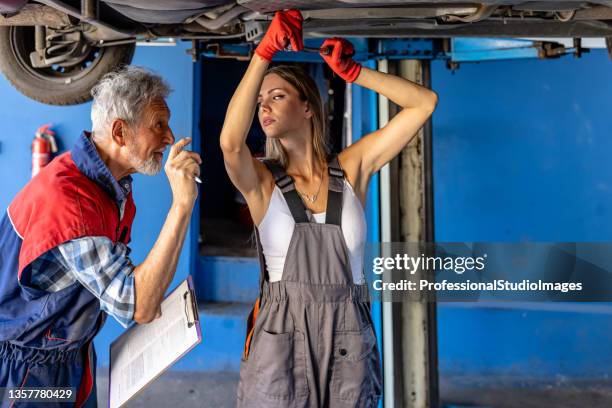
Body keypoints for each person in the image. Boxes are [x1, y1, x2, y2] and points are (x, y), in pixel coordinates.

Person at [220, 9, 438, 408]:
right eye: (260, 100)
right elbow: (230, 144)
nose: (264, 106)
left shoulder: (352, 168)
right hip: (281, 338)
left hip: (347, 334)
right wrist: (263, 52)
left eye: (278, 96)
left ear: (308, 108)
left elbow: (423, 103)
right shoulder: (262, 183)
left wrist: (356, 72)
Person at [0, 66, 201, 407]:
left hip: (68, 356)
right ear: (120, 132)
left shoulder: (108, 185)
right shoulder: (72, 204)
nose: (169, 138)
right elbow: (138, 304)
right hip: (28, 373)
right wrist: (182, 205)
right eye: (159, 125)